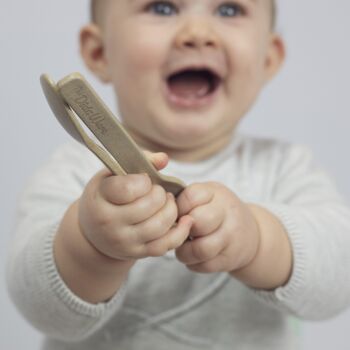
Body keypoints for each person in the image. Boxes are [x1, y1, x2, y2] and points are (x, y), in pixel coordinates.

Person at [7, 0, 350, 349]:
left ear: (268, 58)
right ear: (99, 53)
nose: (197, 34)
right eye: (163, 8)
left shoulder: (285, 167)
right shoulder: (74, 173)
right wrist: (90, 247)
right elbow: (35, 304)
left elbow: (340, 278)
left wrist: (261, 240)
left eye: (229, 10)